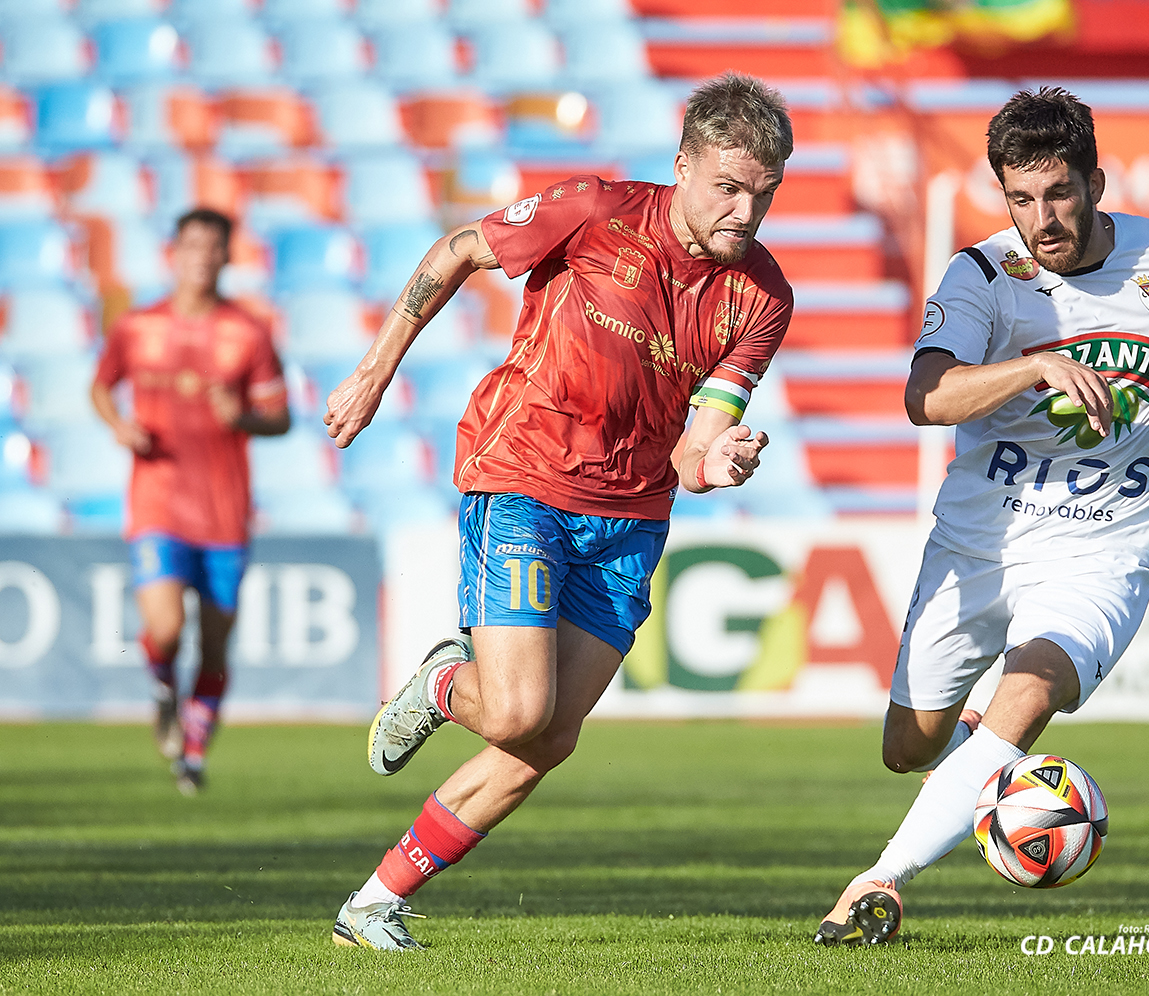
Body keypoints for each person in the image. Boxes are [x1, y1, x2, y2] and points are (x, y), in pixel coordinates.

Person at [321, 72, 796, 952]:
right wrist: (377, 368)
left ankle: (373, 905)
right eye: (729, 187)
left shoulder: (761, 297)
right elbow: (460, 248)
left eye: (763, 194)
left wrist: (718, 458)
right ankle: (439, 684)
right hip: (527, 476)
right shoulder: (595, 210)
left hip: (631, 519)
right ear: (684, 166)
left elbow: (695, 451)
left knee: (549, 737)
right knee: (512, 710)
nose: (745, 211)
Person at [812, 87, 1149, 946]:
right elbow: (926, 397)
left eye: (1059, 193)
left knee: (1026, 692)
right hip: (980, 541)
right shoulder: (985, 275)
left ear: (1095, 182)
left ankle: (877, 881)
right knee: (908, 751)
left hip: (1102, 551)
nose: (1043, 219)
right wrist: (1035, 367)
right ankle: (984, 759)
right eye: (1021, 198)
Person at [91, 207, 290, 796]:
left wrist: (246, 417)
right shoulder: (136, 326)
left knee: (215, 640)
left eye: (214, 247)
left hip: (224, 512)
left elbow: (282, 419)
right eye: (192, 245)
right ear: (172, 253)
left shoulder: (247, 334)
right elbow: (101, 385)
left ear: (227, 257)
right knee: (167, 625)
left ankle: (193, 750)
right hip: (157, 501)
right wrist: (118, 426)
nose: (202, 256)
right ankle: (161, 687)